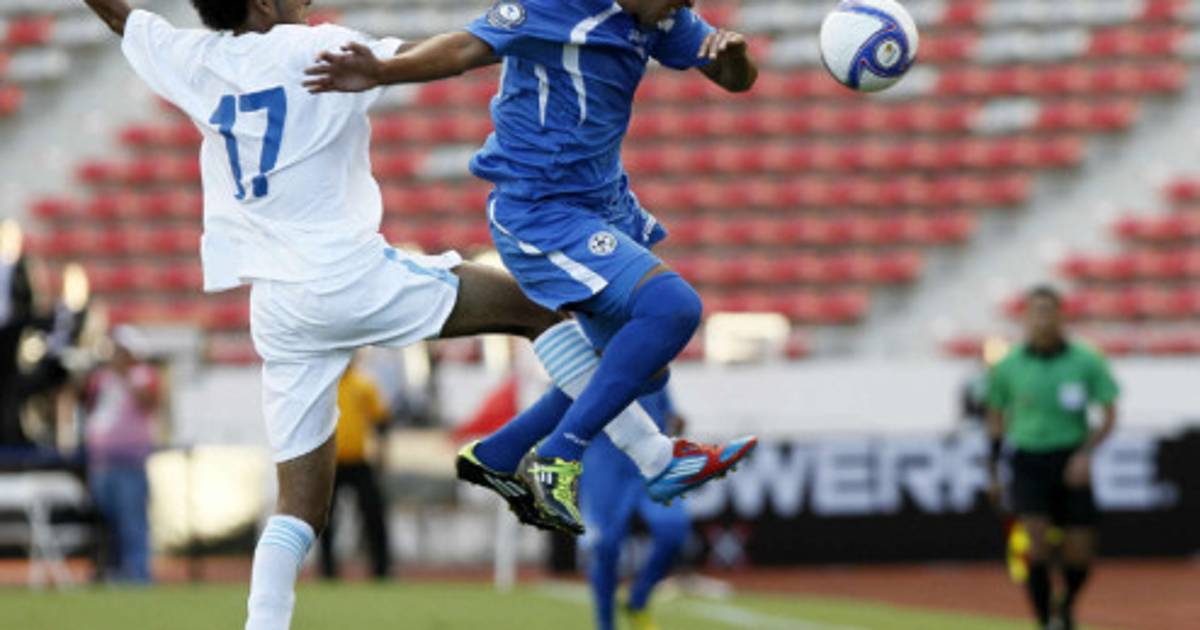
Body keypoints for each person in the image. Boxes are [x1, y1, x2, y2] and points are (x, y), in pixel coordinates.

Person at [80, 2, 749, 628]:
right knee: (535, 307)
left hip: (279, 309)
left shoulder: (191, 59)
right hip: (351, 276)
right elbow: (442, 53)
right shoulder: (316, 47)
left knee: (299, 508)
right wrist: (401, 66)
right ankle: (649, 456)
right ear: (259, 3)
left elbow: (122, 15)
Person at [305, 0, 760, 534]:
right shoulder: (558, 7)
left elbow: (736, 80)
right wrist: (384, 71)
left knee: (637, 367)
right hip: (540, 211)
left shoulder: (660, 17)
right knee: (673, 308)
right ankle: (560, 455)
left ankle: (502, 453)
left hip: (602, 206)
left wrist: (734, 56)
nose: (686, 4)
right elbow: (465, 47)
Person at [986, 286, 1119, 630]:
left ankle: (1066, 603)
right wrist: (994, 470)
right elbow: (996, 417)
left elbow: (1108, 414)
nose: (1043, 318)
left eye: (1049, 310)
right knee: (1037, 544)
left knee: (1080, 553)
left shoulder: (1086, 360)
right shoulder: (1008, 365)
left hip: (1071, 457)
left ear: (1061, 315)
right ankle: (1046, 621)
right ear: (1025, 317)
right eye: (1036, 311)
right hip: (1028, 460)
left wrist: (1085, 453)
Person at [582, 388, 690, 630]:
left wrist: (676, 427)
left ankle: (638, 599)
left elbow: (668, 412)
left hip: (649, 457)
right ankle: (606, 624)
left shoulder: (654, 366)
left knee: (673, 530)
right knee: (605, 545)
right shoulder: (581, 365)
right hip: (606, 458)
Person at [82, 326, 159, 583]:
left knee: (132, 522)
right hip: (102, 462)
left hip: (129, 462)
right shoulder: (101, 378)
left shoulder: (142, 375)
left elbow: (149, 401)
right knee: (106, 524)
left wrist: (123, 375)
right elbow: (88, 404)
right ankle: (111, 573)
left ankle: (138, 575)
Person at [318, 353, 391, 580]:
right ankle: (327, 570)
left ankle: (381, 568)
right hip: (331, 461)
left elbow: (381, 420)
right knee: (325, 519)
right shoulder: (324, 387)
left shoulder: (364, 385)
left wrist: (382, 451)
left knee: (373, 513)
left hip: (359, 460)